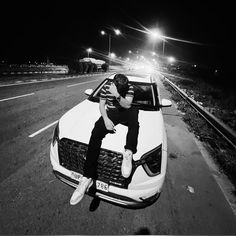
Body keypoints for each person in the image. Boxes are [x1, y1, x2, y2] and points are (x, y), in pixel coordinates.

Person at [70, 74, 139, 205]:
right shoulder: (106, 87)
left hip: (126, 111)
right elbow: (102, 105)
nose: (123, 90)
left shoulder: (130, 88)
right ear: (113, 84)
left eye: (124, 89)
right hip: (111, 113)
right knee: (96, 132)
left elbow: (127, 105)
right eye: (119, 89)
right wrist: (106, 120)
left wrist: (118, 95)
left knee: (135, 117)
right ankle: (86, 177)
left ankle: (128, 152)